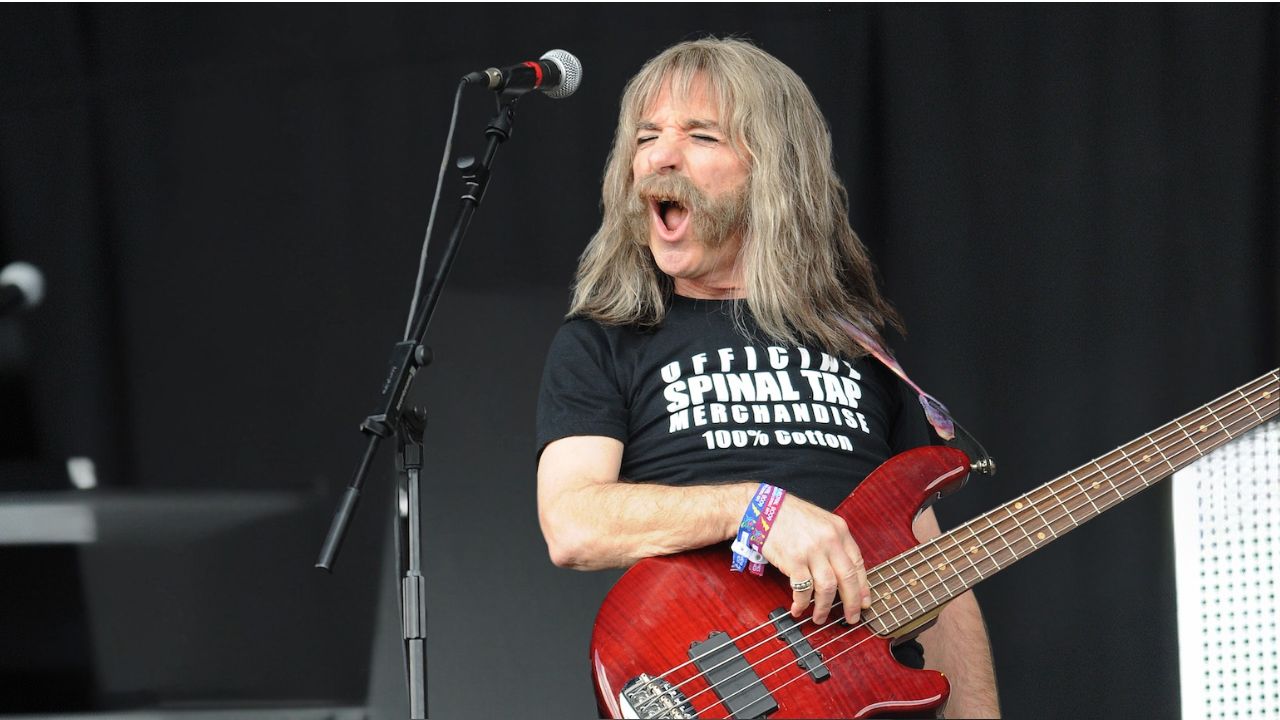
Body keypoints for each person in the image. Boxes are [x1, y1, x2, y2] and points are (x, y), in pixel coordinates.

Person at [536, 37, 1000, 718]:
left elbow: (936, 571)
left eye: (700, 135)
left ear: (773, 170)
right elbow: (573, 523)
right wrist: (754, 509)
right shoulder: (605, 341)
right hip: (716, 688)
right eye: (646, 137)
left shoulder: (861, 348)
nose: (662, 157)